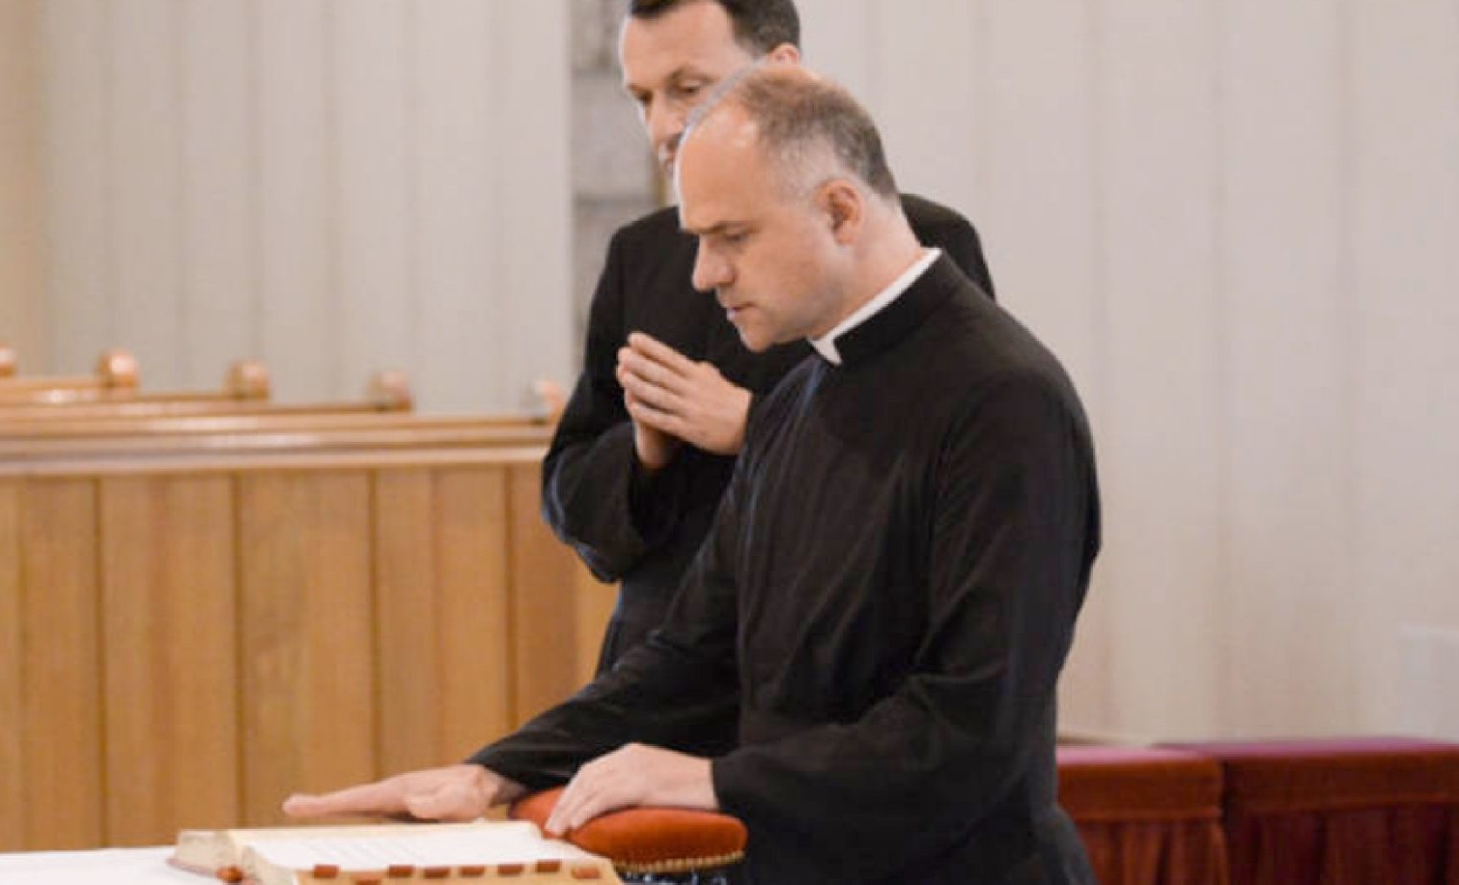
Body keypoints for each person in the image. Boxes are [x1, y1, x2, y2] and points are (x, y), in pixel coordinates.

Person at [286, 64, 1100, 884]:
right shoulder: (795, 397)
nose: (703, 275)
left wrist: (710, 778)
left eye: (731, 237)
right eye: (698, 238)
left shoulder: (1004, 399)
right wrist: (493, 771)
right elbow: (693, 655)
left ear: (841, 210)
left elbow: (970, 725)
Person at [548, 0, 996, 682]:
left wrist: (755, 427)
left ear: (782, 73)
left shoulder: (916, 242)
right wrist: (646, 452)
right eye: (643, 98)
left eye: (688, 89)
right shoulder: (639, 257)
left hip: (835, 674)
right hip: (660, 670)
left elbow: (951, 472)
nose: (664, 125)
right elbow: (572, 492)